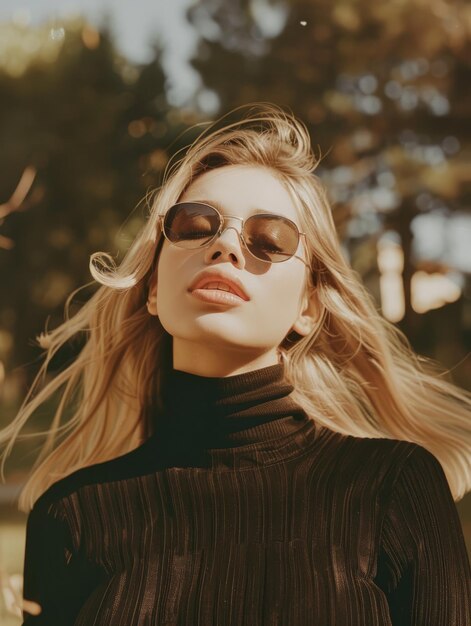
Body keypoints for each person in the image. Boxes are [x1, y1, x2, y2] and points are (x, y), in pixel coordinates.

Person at [1, 103, 470, 625]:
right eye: (195, 224)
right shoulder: (71, 516)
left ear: (308, 308)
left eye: (270, 240)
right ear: (154, 287)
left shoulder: (394, 487)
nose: (224, 245)